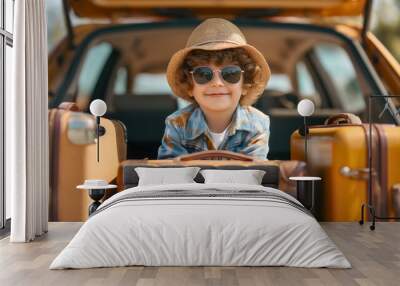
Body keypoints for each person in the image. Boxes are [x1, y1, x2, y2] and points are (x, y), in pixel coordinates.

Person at [157, 18, 271, 159]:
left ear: (246, 84)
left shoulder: (257, 124)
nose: (217, 83)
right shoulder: (177, 124)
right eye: (203, 74)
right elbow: (169, 174)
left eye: (230, 73)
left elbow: (255, 174)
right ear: (189, 86)